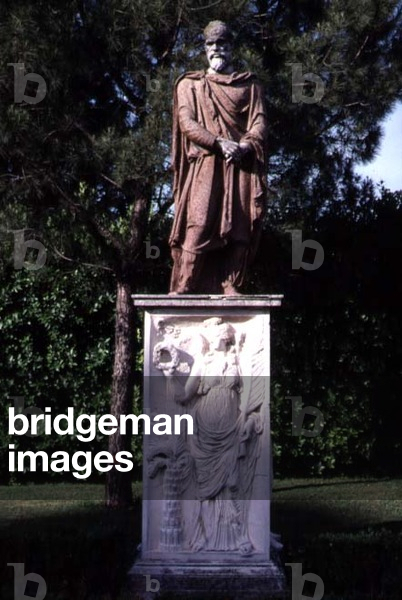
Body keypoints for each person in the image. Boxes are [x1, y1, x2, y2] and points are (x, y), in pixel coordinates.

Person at [169, 20, 268, 295]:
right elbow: (186, 123)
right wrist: (218, 142)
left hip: (241, 166)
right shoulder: (190, 85)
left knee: (241, 227)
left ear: (231, 47)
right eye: (211, 44)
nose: (216, 49)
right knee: (198, 222)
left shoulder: (249, 85)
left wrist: (246, 146)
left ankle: (231, 285)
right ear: (204, 49)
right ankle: (184, 286)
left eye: (222, 43)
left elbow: (259, 123)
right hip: (206, 164)